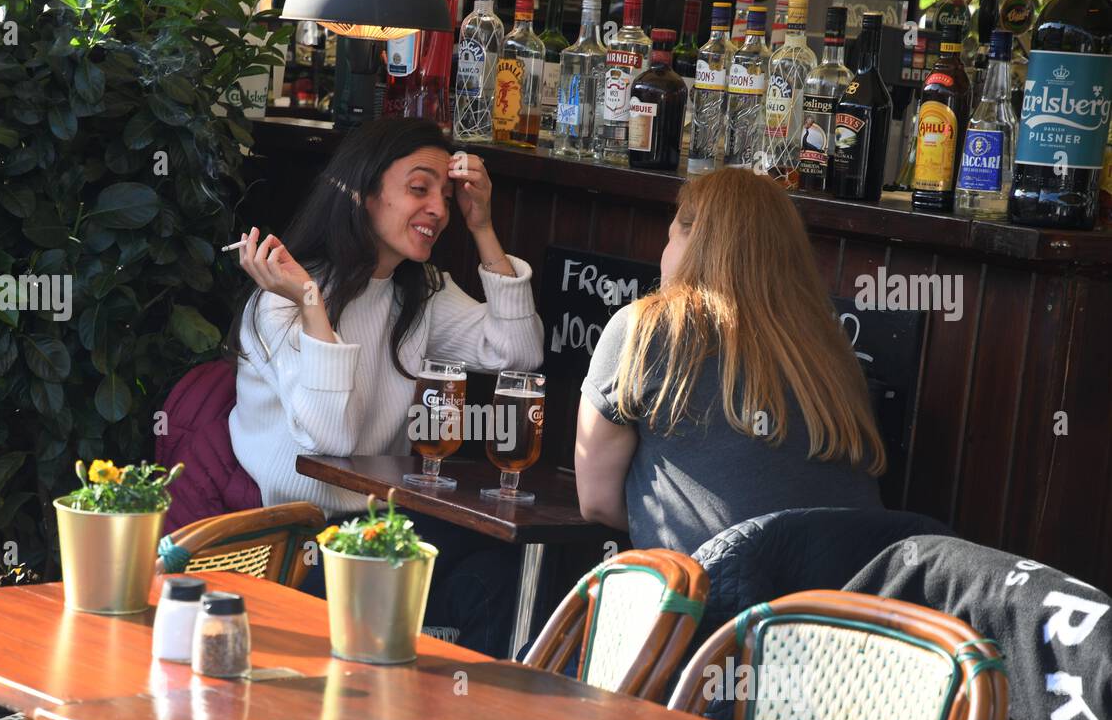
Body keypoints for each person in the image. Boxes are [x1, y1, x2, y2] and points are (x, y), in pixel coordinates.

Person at [227, 117, 544, 655]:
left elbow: (517, 353)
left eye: (446, 196)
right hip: (294, 546)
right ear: (361, 193)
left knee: (503, 567)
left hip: (383, 529)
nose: (439, 210)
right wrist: (311, 303)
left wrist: (484, 227)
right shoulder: (280, 299)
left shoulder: (421, 295)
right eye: (419, 189)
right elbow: (332, 440)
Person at [575, 168, 886, 553]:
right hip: (846, 601)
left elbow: (597, 503)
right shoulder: (833, 349)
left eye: (670, 236)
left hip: (720, 602)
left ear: (693, 240)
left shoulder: (644, 328)